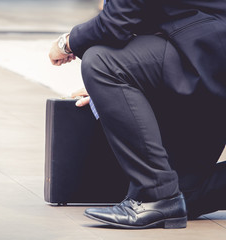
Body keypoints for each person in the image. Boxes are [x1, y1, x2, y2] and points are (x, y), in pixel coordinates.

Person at [49, 0, 226, 229]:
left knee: (102, 63)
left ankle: (154, 195)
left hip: (211, 56)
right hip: (210, 58)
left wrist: (67, 43)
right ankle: (166, 197)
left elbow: (116, 21)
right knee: (182, 194)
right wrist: (119, 86)